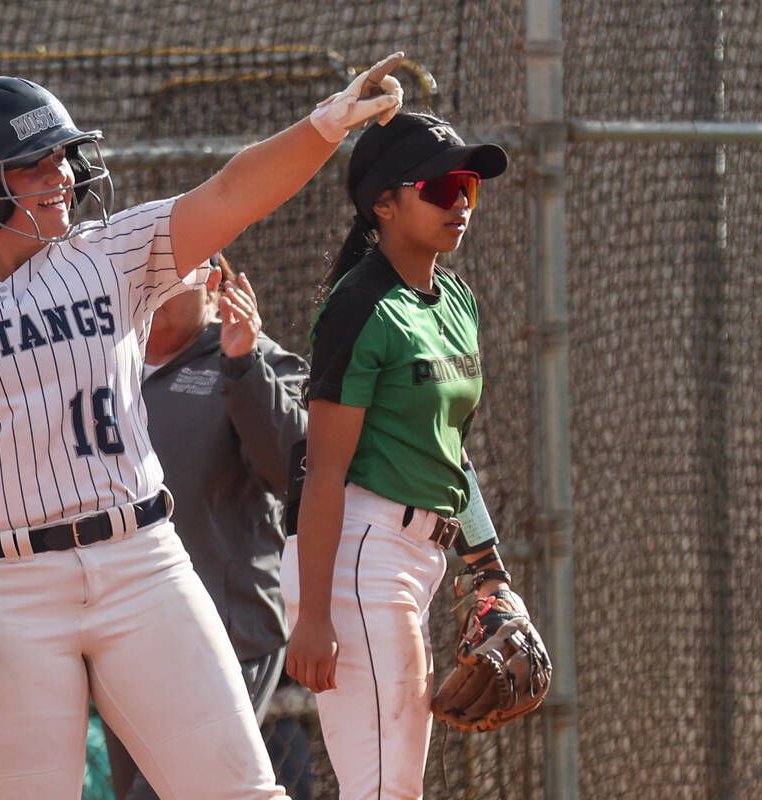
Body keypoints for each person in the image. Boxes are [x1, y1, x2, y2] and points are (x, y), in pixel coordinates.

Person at [0, 55, 404, 800]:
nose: (63, 178)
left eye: (63, 159)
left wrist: (323, 126)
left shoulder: (111, 252)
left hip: (139, 562)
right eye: (35, 166)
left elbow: (233, 191)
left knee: (241, 792)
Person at [280, 110, 516, 800]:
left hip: (416, 558)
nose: (461, 203)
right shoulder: (359, 307)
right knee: (385, 786)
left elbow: (450, 452)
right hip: (358, 554)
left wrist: (489, 571)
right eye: (442, 188)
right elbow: (323, 469)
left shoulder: (456, 301)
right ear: (383, 203)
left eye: (469, 186)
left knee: (393, 782)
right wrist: (315, 615)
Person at [101, 251, 309, 800]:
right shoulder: (101, 366)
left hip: (225, 637)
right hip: (124, 642)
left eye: (170, 271)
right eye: (142, 273)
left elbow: (294, 469)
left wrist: (242, 364)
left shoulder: (255, 360)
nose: (152, 286)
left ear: (213, 281)